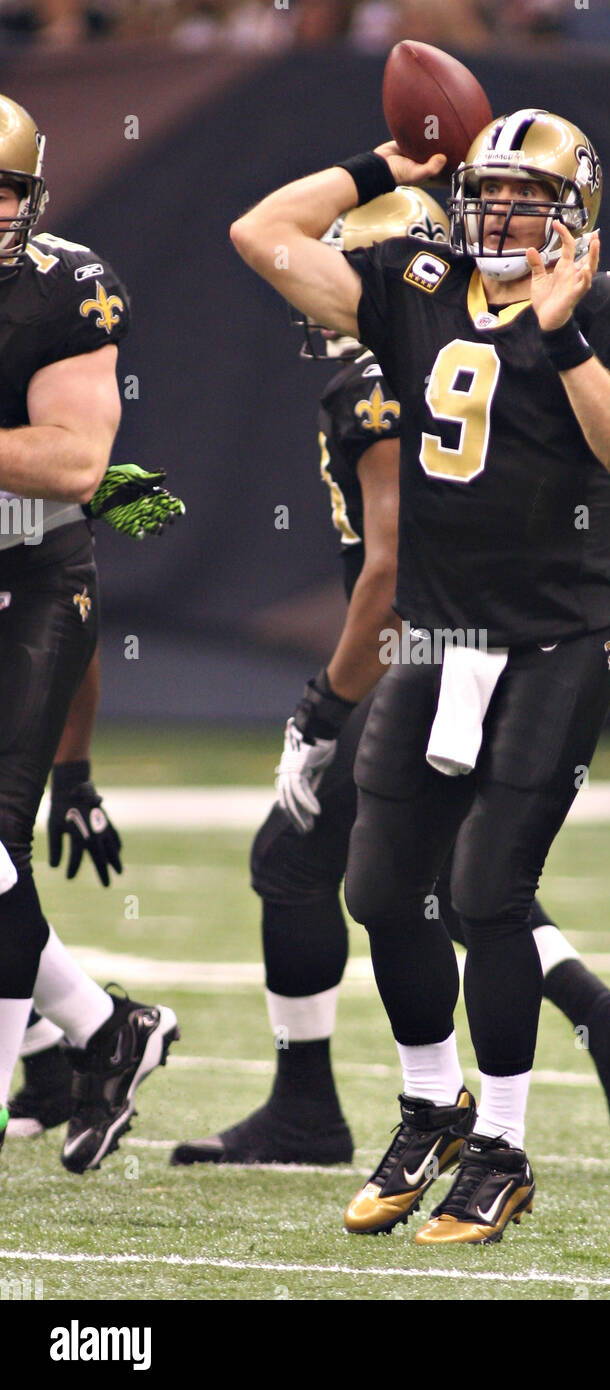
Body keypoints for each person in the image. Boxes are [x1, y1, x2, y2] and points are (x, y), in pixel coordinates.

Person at [229, 108, 610, 1244]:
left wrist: (565, 332)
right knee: (382, 890)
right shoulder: (414, 279)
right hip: (436, 638)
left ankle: (506, 1147)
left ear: (574, 214)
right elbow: (261, 234)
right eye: (486, 194)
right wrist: (381, 166)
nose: (501, 217)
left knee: (485, 894)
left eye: (527, 200)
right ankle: (432, 1106)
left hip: (556, 639)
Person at [0, 94, 179, 1171]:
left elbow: (74, 465)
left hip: (31, 574)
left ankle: (83, 1040)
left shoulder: (66, 285)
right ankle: (108, 1030)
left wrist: (77, 773)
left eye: (2, 193)